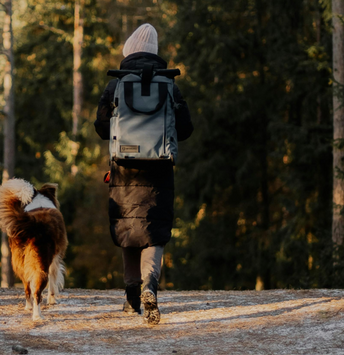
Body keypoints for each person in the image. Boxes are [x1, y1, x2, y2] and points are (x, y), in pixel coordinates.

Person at [95, 23, 193, 325]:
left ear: (129, 51)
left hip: (124, 167)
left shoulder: (115, 86)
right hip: (160, 168)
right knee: (154, 230)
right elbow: (186, 128)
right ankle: (151, 284)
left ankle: (131, 296)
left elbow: (100, 128)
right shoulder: (170, 85)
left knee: (128, 227)